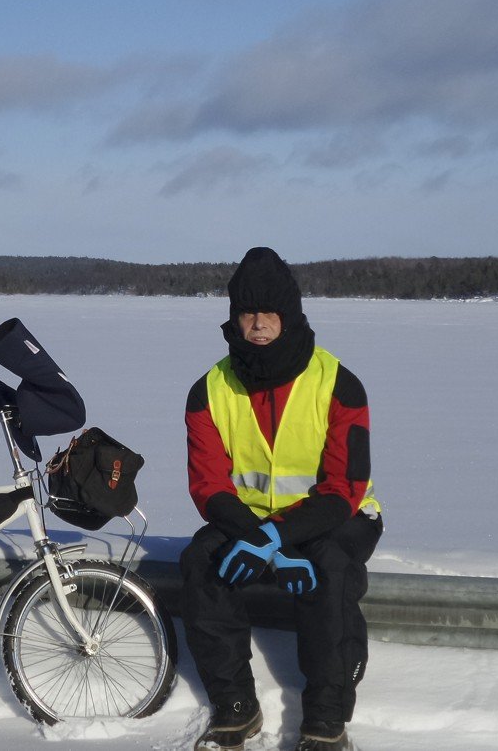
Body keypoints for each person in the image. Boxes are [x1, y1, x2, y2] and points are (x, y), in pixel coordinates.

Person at [182, 247, 382, 751]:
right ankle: (235, 707)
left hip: (341, 516)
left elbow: (344, 488)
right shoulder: (208, 390)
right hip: (248, 518)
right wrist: (257, 536)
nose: (258, 323)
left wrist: (274, 537)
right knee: (201, 559)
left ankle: (325, 719)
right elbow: (209, 486)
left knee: (330, 566)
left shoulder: (339, 384)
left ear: (289, 315)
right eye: (247, 312)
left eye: (269, 312)